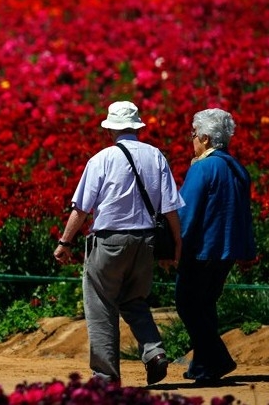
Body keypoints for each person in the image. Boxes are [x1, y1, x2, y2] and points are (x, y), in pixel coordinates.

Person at [54, 100, 184, 386]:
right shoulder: (156, 156)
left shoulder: (101, 159)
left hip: (110, 241)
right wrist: (177, 244)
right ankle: (154, 352)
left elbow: (81, 209)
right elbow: (170, 208)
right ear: (137, 127)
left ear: (109, 130)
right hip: (146, 242)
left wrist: (65, 241)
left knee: (101, 303)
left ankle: (106, 376)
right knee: (134, 299)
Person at [176, 108, 256, 385]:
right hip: (227, 249)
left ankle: (218, 359)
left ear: (206, 138)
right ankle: (202, 367)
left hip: (202, 249)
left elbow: (185, 212)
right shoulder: (236, 168)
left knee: (187, 304)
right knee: (206, 305)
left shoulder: (204, 167)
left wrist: (174, 247)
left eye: (194, 134)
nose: (192, 139)